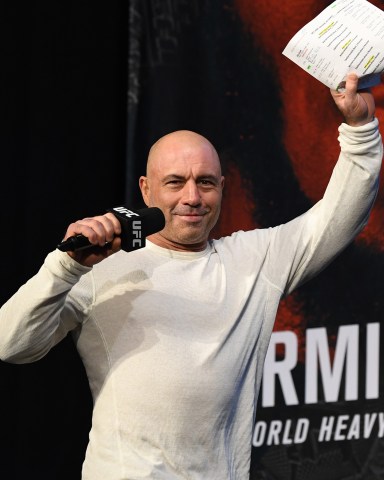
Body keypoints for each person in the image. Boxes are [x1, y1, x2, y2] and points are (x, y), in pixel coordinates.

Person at [0, 73, 382, 479]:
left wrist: (360, 128)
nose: (192, 197)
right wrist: (66, 265)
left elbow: (339, 217)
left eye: (205, 183)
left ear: (222, 187)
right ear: (146, 190)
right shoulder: (100, 264)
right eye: (175, 183)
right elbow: (13, 344)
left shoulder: (254, 261)